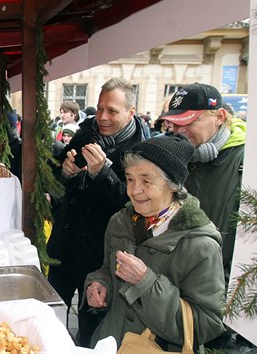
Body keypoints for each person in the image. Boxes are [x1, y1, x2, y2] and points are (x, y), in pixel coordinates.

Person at [85, 134, 225, 351]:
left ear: (173, 185)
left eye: (146, 180)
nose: (134, 190)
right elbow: (107, 269)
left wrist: (145, 283)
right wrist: (99, 285)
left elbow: (207, 324)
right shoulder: (120, 222)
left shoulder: (200, 245)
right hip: (111, 344)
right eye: (130, 179)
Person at [46, 77, 147, 347]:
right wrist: (64, 173)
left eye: (112, 111)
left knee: (92, 332)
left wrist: (102, 174)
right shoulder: (85, 133)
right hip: (64, 247)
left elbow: (132, 205)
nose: (102, 116)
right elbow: (58, 175)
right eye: (100, 108)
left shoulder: (141, 152)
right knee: (49, 320)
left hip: (102, 259)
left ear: (131, 113)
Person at [161, 83, 245, 286]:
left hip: (220, 289)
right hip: (175, 282)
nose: (180, 131)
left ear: (219, 117)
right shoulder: (177, 155)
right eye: (175, 123)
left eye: (189, 122)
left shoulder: (246, 161)